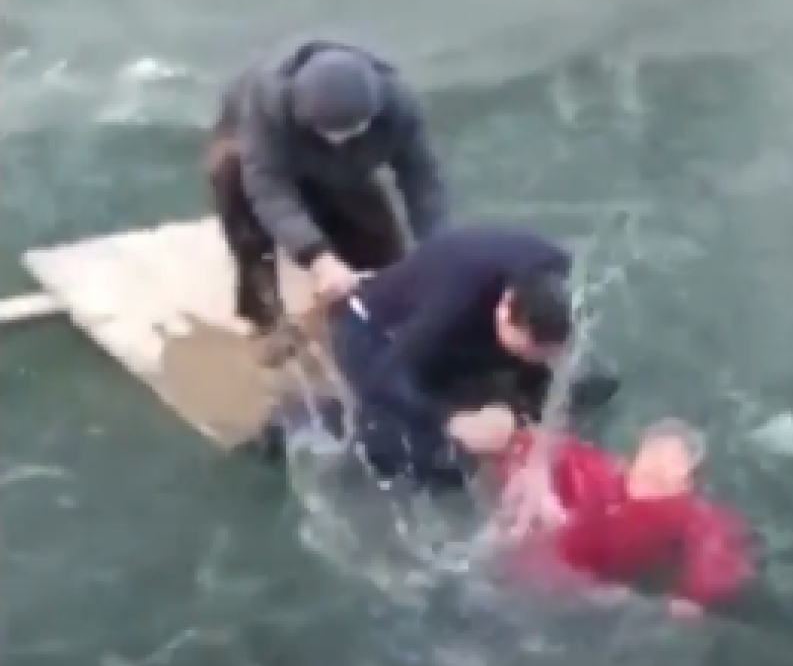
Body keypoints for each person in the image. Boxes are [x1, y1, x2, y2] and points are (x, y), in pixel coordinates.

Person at [261, 225, 617, 488]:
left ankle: (491, 390)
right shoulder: (453, 300)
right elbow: (385, 377)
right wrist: (454, 421)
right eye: (530, 351)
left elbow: (548, 349)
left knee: (590, 391)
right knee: (446, 465)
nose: (540, 359)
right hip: (376, 334)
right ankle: (310, 420)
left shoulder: (557, 271)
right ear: (505, 309)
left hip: (472, 333)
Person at [206, 38, 448, 336]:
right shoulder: (267, 103)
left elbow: (422, 179)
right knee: (231, 170)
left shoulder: (399, 104)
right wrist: (318, 257)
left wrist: (438, 248)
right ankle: (264, 306)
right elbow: (269, 186)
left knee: (387, 261)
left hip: (345, 171)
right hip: (265, 158)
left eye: (351, 130)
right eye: (332, 133)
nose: (340, 139)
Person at [487, 419, 753, 617]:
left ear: (688, 481)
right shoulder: (600, 472)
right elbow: (542, 450)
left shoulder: (691, 514)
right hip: (535, 562)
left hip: (591, 589)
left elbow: (718, 550)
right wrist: (514, 443)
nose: (658, 461)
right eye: (654, 451)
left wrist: (695, 596)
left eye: (674, 459)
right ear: (632, 459)